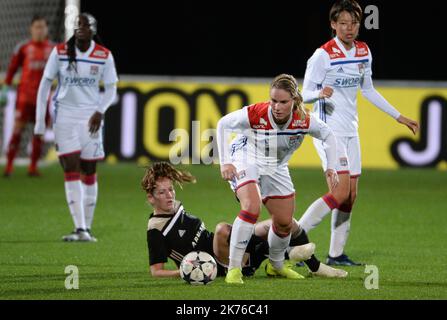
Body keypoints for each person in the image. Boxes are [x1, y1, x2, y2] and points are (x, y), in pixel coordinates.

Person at [298, 0, 420, 266]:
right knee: (339, 193)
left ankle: (336, 254)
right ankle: (293, 241)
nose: (349, 28)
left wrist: (399, 117)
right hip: (328, 132)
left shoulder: (364, 51)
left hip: (351, 131)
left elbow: (368, 90)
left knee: (351, 195)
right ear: (333, 25)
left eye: (354, 23)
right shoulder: (323, 55)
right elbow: (301, 95)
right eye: (343, 23)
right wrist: (318, 93)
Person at [216, 74, 340, 284]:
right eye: (274, 100)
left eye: (283, 102)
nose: (277, 106)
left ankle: (276, 265)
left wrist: (331, 167)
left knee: (284, 223)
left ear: (294, 100)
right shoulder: (256, 113)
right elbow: (222, 124)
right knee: (251, 208)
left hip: (276, 166)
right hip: (246, 157)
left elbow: (329, 135)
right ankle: (234, 270)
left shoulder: (304, 119)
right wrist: (225, 162)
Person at [143, 162, 347, 278]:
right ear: (151, 198)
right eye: (162, 192)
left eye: (170, 189)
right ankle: (285, 255)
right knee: (223, 228)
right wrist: (186, 271)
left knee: (281, 222)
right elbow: (156, 271)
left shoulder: (176, 208)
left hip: (231, 246)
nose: (169, 195)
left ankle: (314, 266)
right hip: (218, 264)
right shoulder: (156, 229)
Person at [34, 13, 118, 242]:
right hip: (65, 117)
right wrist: (40, 122)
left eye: (84, 25)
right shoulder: (60, 52)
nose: (80, 28)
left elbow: (111, 89)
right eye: (77, 25)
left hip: (91, 117)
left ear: (93, 29)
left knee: (89, 170)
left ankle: (86, 228)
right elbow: (44, 84)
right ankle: (79, 228)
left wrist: (100, 110)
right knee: (70, 166)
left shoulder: (103, 55)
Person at [0, 15, 54, 177]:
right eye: (37, 27)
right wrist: (5, 88)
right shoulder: (23, 48)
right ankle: (9, 166)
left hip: (43, 99)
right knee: (17, 130)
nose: (40, 30)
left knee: (39, 133)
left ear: (47, 29)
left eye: (42, 27)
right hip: (25, 98)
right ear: (31, 29)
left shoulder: (53, 49)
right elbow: (11, 70)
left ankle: (33, 167)